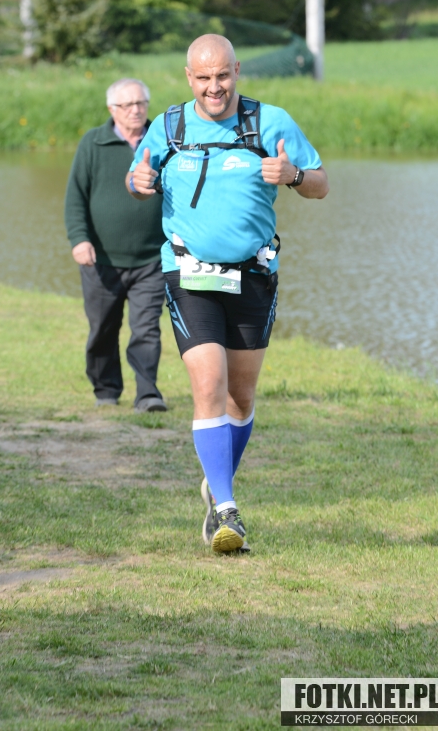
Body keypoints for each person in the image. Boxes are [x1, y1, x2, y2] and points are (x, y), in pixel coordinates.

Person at [127, 35, 328, 551]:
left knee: (241, 397)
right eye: (203, 78)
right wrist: (139, 181)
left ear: (236, 70)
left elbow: (321, 183)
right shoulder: (168, 126)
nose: (214, 87)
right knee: (209, 385)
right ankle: (227, 511)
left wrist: (293, 175)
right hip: (188, 274)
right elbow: (138, 177)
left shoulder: (270, 122)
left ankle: (216, 483)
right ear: (188, 77)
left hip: (253, 275)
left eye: (222, 75)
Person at [65, 78, 167, 412]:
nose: (136, 110)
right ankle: (106, 390)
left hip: (152, 259)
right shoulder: (93, 143)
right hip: (101, 260)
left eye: (141, 103)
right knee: (103, 329)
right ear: (112, 109)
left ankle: (148, 394)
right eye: (127, 105)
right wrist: (79, 240)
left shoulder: (163, 141)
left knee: (146, 329)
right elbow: (75, 198)